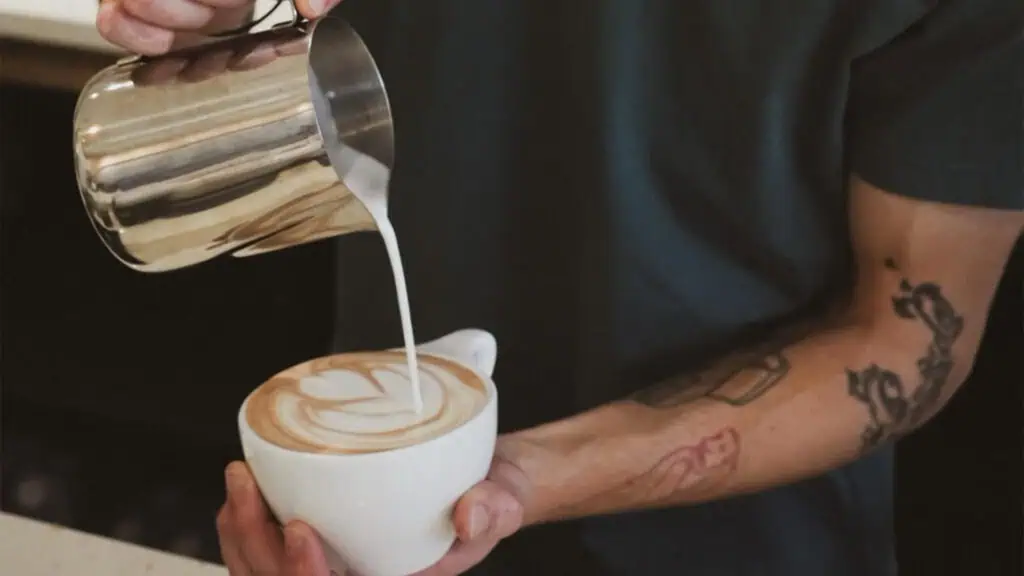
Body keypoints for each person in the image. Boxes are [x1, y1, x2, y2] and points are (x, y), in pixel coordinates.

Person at [97, 0, 1023, 574]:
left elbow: (902, 336)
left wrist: (511, 484)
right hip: (381, 521)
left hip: (742, 546)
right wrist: (207, 30)